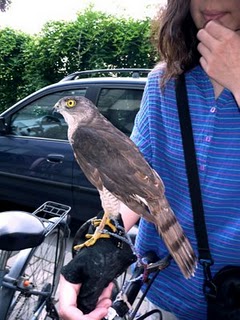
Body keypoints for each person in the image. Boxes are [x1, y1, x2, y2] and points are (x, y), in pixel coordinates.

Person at [58, 0, 240, 319]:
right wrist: (105, 244)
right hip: (162, 290)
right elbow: (135, 176)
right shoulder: (165, 80)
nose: (210, 3)